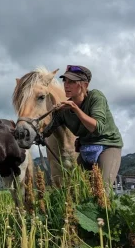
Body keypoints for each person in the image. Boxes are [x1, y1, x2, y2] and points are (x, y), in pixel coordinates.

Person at [42, 65, 123, 193]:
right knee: (78, 192)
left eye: (72, 82)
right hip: (85, 150)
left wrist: (75, 109)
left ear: (84, 85)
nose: (66, 85)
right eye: (65, 81)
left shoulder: (96, 97)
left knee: (102, 192)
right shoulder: (63, 111)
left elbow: (97, 128)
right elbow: (46, 131)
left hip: (107, 146)